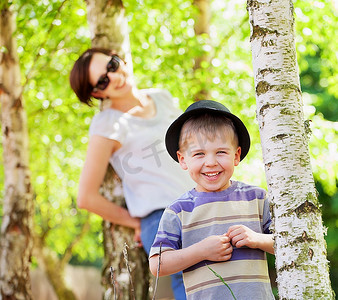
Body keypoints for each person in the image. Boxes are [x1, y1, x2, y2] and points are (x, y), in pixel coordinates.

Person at [69, 48, 195, 300]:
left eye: (112, 65)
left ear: (120, 60)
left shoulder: (162, 97)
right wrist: (138, 222)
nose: (114, 77)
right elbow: (86, 197)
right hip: (163, 218)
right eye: (103, 80)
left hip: (203, 202)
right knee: (194, 286)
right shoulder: (107, 124)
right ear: (97, 92)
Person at [149, 100, 275, 299]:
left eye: (221, 152)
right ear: (183, 159)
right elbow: (157, 265)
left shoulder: (257, 198)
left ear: (236, 155)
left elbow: (289, 243)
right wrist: (201, 251)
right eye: (199, 154)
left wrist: (257, 239)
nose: (210, 162)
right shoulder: (179, 210)